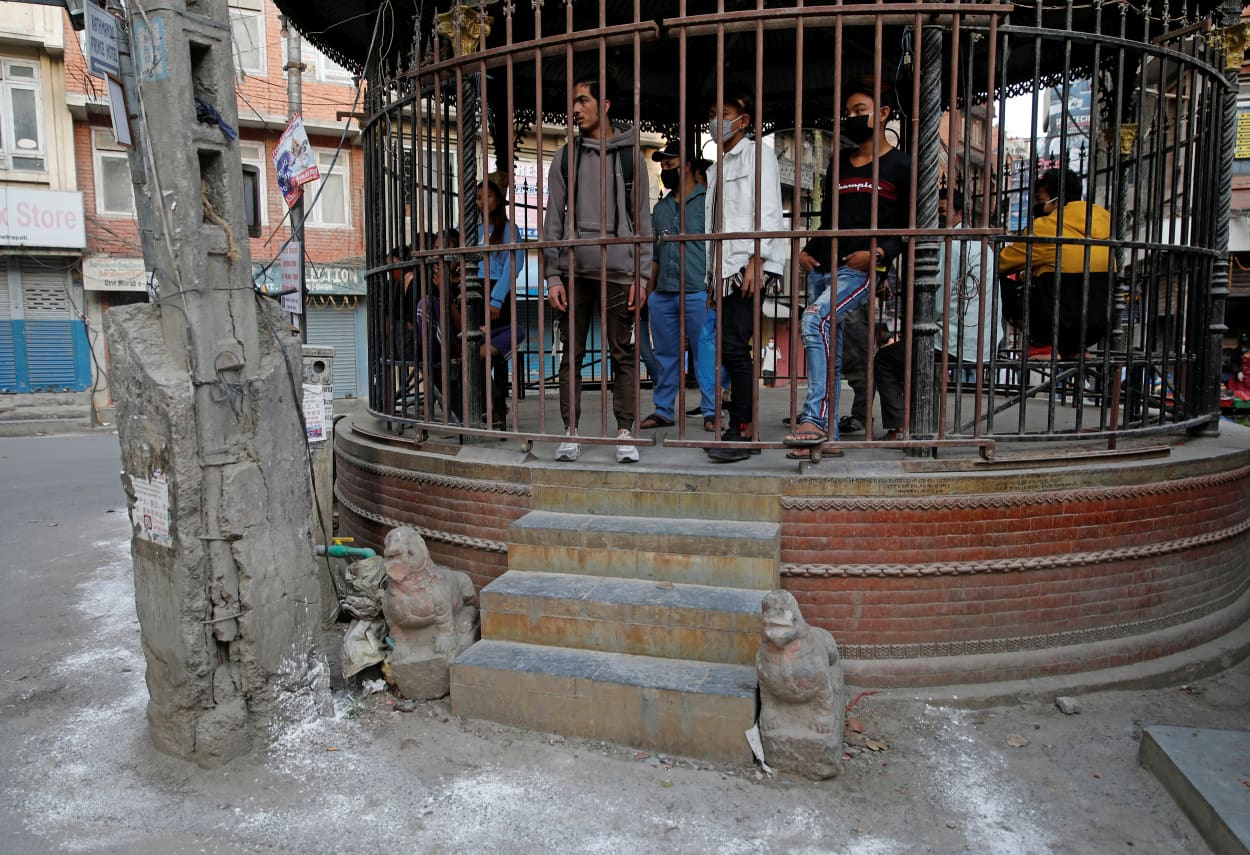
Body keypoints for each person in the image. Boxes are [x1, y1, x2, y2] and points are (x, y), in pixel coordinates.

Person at [786, 78, 911, 451]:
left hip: (861, 270)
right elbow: (829, 219)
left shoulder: (900, 165)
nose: (852, 118)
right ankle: (831, 439)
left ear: (884, 113)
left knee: (814, 320)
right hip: (824, 265)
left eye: (860, 111)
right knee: (831, 351)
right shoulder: (839, 161)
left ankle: (814, 419)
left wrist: (877, 256)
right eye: (848, 113)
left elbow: (905, 229)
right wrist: (807, 250)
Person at [543, 70, 652, 463]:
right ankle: (570, 430)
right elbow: (552, 218)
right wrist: (552, 275)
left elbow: (642, 220)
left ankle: (625, 431)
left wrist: (642, 274)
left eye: (583, 100)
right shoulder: (566, 156)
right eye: (573, 101)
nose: (575, 108)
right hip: (575, 271)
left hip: (620, 271)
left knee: (623, 353)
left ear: (604, 105)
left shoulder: (630, 156)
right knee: (570, 354)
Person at [875, 189, 998, 439]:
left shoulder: (948, 246)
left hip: (953, 340)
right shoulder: (980, 244)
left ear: (959, 214)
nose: (938, 219)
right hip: (984, 339)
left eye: (943, 213)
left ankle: (900, 425)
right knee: (910, 353)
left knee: (885, 359)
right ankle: (918, 418)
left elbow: (934, 304)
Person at [704, 87, 786, 462]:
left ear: (744, 120)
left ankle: (742, 428)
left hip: (749, 265)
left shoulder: (759, 156)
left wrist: (757, 257)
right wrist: (711, 277)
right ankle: (737, 424)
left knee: (735, 346)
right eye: (711, 115)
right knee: (728, 345)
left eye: (722, 113)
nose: (714, 121)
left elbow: (768, 209)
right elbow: (714, 230)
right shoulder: (717, 169)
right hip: (725, 270)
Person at [998, 167, 1113, 358]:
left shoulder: (1048, 227)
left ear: (1057, 201)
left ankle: (1041, 345)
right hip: (1096, 325)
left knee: (994, 279)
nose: (1036, 206)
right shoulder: (1104, 222)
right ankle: (1074, 350)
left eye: (1040, 201)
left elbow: (1001, 263)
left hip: (1054, 325)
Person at [639, 138, 710, 430]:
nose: (666, 171)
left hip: (698, 290)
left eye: (671, 165)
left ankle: (712, 411)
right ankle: (664, 410)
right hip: (664, 293)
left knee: (705, 352)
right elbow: (655, 254)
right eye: (663, 167)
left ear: (688, 166)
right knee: (665, 355)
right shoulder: (662, 208)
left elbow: (718, 250)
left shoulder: (708, 202)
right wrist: (649, 292)